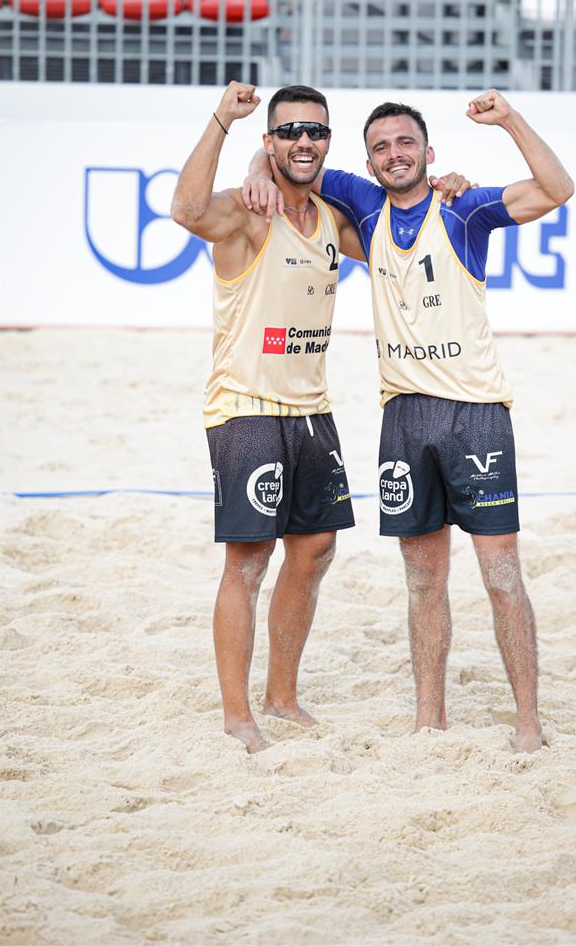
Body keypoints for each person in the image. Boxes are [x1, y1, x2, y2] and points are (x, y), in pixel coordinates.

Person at [246, 89, 574, 752]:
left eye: (405, 143)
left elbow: (556, 189)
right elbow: (291, 159)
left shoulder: (463, 208)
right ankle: (430, 719)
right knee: (423, 580)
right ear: (368, 161)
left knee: (500, 578)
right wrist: (257, 165)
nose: (393, 154)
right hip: (403, 417)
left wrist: (509, 120)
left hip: (476, 415)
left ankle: (528, 722)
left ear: (429, 152)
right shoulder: (364, 204)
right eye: (381, 147)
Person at [171, 81, 472, 753]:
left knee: (314, 551)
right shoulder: (249, 212)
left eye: (314, 131)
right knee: (248, 562)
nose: (302, 141)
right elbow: (186, 209)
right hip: (247, 408)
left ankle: (281, 697)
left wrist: (449, 187)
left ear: (328, 142)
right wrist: (224, 123)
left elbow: (407, 234)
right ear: (270, 140)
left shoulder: (333, 221)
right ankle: (237, 716)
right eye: (288, 132)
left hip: (312, 410)